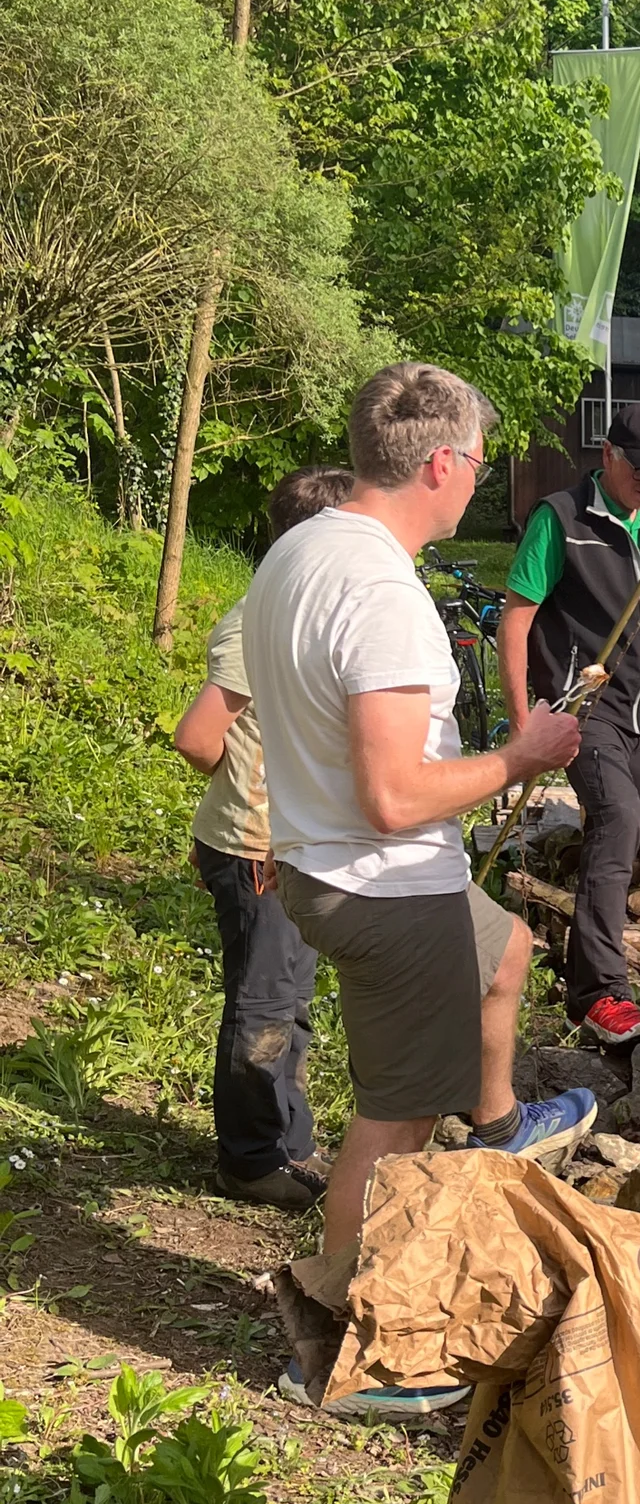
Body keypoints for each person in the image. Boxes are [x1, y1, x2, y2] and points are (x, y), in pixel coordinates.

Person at [244, 362, 595, 1415]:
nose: (480, 484)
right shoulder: (384, 592)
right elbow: (396, 795)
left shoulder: (299, 550)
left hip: (326, 863)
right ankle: (346, 1349)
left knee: (507, 953)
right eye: (478, 465)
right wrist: (523, 754)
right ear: (441, 463)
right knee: (392, 1128)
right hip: (386, 887)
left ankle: (498, 1123)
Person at [174, 466, 355, 1212]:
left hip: (288, 848)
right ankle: (247, 1161)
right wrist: (244, 793)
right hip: (255, 850)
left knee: (292, 999)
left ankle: (291, 1139)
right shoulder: (258, 621)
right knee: (262, 1008)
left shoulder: (299, 614)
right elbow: (197, 737)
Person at [496, 404, 640, 1049]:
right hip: (585, 709)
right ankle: (601, 993)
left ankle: (589, 963)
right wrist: (526, 724)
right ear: (608, 454)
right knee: (619, 822)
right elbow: (517, 618)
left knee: (621, 838)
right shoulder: (562, 518)